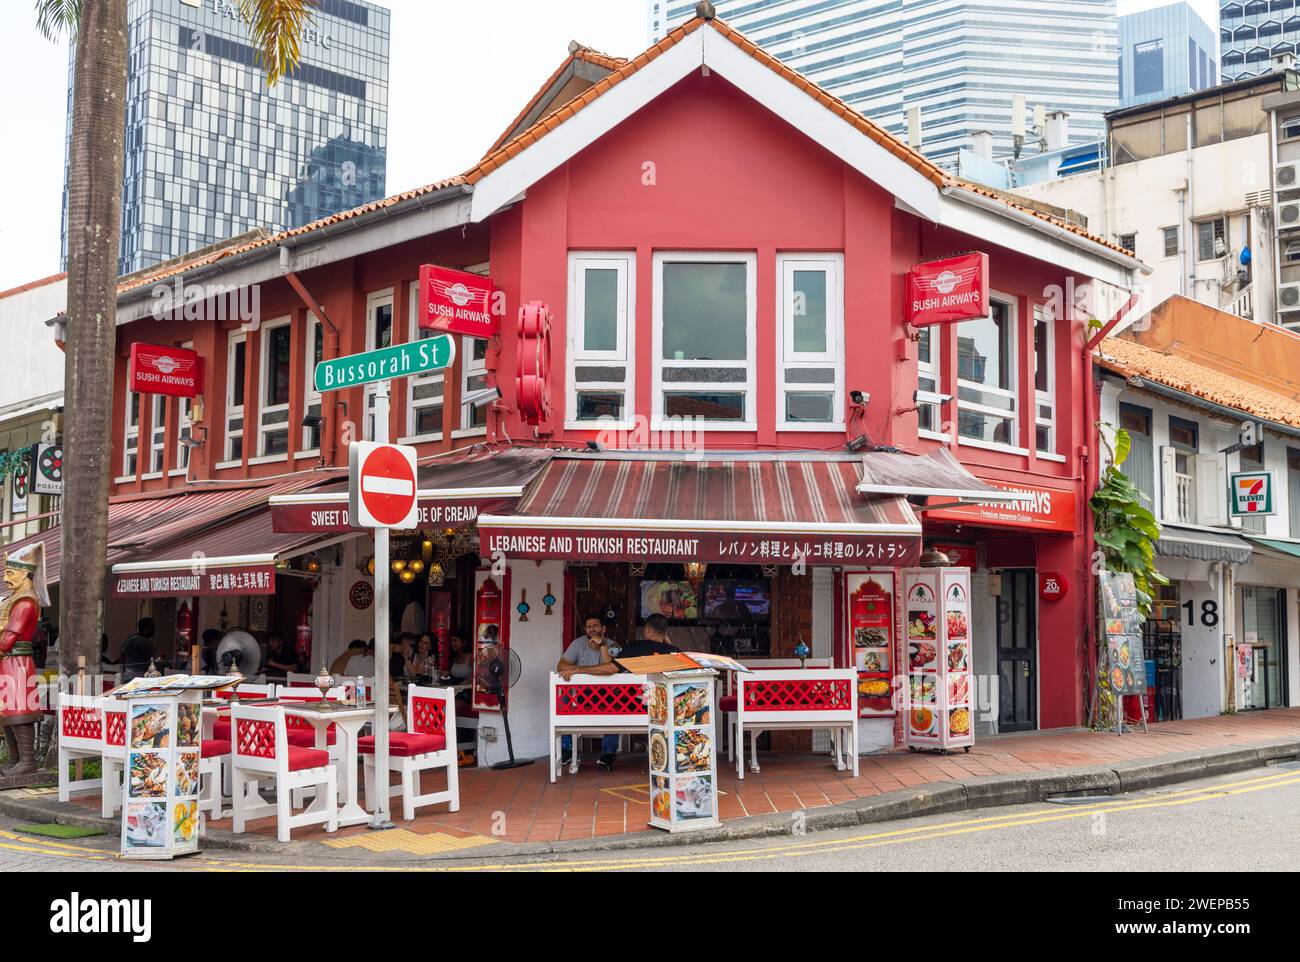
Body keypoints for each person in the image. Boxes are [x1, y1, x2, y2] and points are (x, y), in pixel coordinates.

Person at [555, 614, 621, 771]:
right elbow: (561, 666)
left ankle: (609, 753)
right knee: (563, 699)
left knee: (616, 705)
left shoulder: (614, 645)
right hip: (581, 696)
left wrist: (603, 645)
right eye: (589, 626)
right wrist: (585, 671)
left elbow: (609, 668)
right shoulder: (578, 644)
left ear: (603, 628)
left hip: (608, 697)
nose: (592, 629)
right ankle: (566, 749)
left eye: (596, 626)